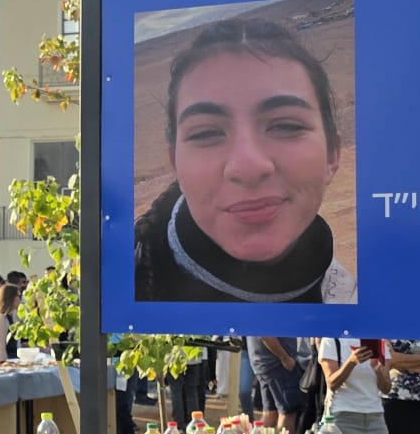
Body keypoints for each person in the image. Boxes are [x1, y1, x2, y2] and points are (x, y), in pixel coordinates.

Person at [132, 16, 353, 305]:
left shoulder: (353, 300)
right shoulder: (106, 292)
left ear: (332, 153)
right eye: (207, 133)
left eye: (285, 126)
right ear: (175, 164)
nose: (248, 167)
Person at [317, 338, 399, 434]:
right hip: (344, 418)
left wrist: (378, 370)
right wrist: (352, 362)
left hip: (375, 419)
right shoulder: (332, 340)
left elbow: (386, 388)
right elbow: (331, 383)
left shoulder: (380, 341)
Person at [0, 283, 22, 367]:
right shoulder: (1, 318)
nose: (20, 299)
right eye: (18, 296)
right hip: (5, 362)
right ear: (10, 297)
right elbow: (0, 347)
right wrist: (6, 365)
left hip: (13, 359)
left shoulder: (12, 315)